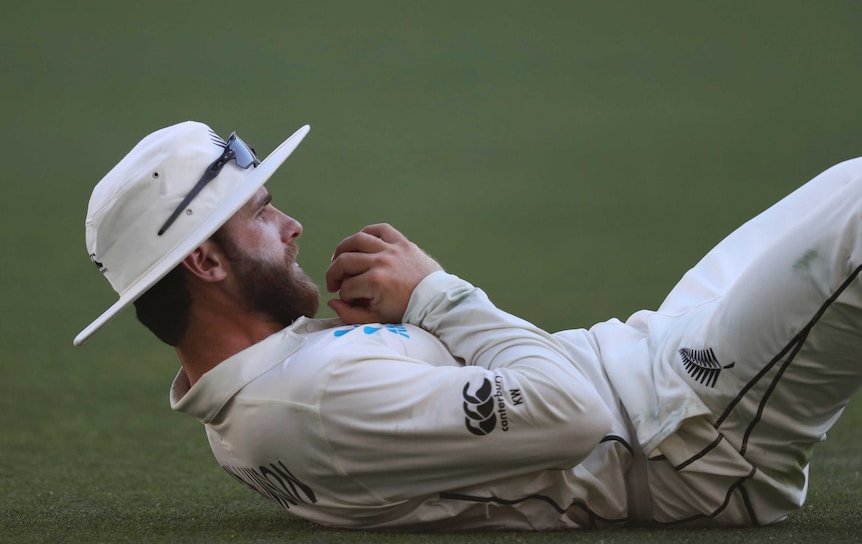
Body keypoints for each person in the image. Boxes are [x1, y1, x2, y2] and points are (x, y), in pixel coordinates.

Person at [75, 120, 862, 531]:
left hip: (654, 363)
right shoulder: (308, 401)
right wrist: (437, 295)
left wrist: (411, 321)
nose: (291, 224)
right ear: (206, 263)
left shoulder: (256, 398)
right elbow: (573, 413)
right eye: (260, 212)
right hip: (687, 431)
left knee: (849, 181)